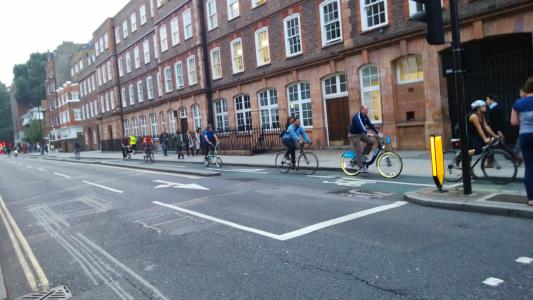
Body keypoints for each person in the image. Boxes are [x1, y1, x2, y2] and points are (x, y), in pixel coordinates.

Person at [511, 77, 533, 206]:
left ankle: (531, 199)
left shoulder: (518, 103)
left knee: (529, 167)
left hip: (524, 135)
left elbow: (514, 122)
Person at [486, 95, 522, 165]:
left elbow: (497, 122)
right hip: (496, 131)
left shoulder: (495, 109)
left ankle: (517, 158)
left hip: (496, 131)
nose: (486, 101)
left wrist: (499, 131)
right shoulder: (496, 108)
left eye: (487, 99)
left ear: (492, 100)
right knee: (497, 146)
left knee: (499, 146)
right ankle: (490, 162)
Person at [348, 105, 381, 172]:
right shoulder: (357, 116)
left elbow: (370, 125)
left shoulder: (365, 116)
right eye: (366, 109)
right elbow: (361, 126)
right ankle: (360, 167)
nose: (367, 111)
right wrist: (366, 132)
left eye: (367, 109)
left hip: (360, 133)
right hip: (354, 135)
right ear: (362, 110)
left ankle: (363, 156)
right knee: (358, 150)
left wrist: (377, 132)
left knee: (371, 142)